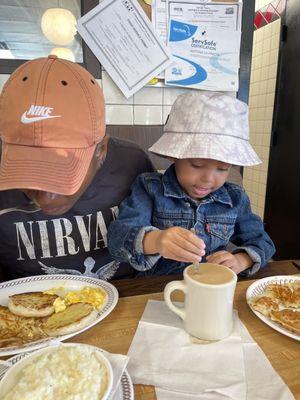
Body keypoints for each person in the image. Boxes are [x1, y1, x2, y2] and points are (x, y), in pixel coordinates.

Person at [0, 55, 154, 281]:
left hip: (124, 302)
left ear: (101, 150)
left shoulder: (132, 164)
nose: (45, 198)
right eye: (27, 170)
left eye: (61, 173)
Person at [107, 91, 275, 277]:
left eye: (223, 168)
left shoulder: (235, 199)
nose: (208, 179)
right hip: (156, 290)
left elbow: (263, 242)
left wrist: (241, 260)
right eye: (197, 165)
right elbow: (117, 239)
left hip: (210, 289)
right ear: (174, 154)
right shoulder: (149, 188)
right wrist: (156, 240)